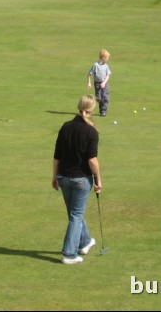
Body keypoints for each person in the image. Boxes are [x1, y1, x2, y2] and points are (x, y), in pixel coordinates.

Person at [52, 94, 102, 265]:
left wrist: (54, 176)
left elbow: (57, 156)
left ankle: (85, 242)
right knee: (76, 215)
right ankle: (68, 254)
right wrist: (98, 180)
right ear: (91, 110)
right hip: (81, 179)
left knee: (74, 214)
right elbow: (92, 160)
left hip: (63, 177)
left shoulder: (66, 126)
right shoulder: (91, 131)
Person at [86, 49, 112, 117]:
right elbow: (89, 74)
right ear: (103, 57)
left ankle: (103, 111)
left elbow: (108, 75)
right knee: (99, 98)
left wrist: (104, 82)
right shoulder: (95, 65)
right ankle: (91, 108)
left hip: (105, 84)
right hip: (97, 84)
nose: (107, 59)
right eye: (107, 58)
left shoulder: (106, 66)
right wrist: (89, 82)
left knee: (105, 97)